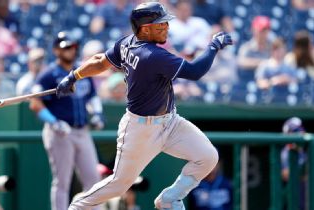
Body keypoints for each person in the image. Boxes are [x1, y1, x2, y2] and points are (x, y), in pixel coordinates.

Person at [56, 2, 232, 210]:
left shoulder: (127, 43)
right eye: (160, 24)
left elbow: (100, 61)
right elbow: (195, 72)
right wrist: (213, 47)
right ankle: (78, 206)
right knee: (118, 185)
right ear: (145, 29)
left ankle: (169, 199)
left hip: (170, 122)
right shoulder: (151, 55)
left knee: (208, 157)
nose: (166, 27)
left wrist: (74, 75)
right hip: (140, 130)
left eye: (166, 23)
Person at [29, 31, 105, 210]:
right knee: (63, 181)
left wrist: (97, 113)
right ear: (56, 50)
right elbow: (34, 102)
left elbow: (92, 96)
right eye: (66, 47)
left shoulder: (82, 71)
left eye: (73, 47)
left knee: (93, 179)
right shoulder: (49, 74)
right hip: (60, 132)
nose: (71, 51)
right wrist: (53, 122)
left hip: (82, 130)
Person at [237, 15, 273, 82]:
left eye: (266, 30)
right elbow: (241, 62)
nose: (263, 33)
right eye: (261, 30)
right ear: (254, 30)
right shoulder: (247, 47)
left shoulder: (272, 46)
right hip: (248, 81)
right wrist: (263, 63)